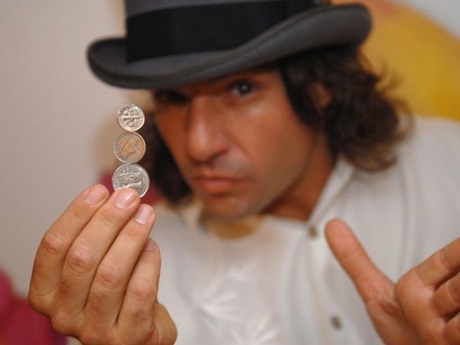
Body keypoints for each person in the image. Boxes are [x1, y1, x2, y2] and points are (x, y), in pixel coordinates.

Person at [28, 0, 460, 344]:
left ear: (320, 85)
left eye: (241, 88)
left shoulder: (449, 161)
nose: (198, 145)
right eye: (173, 97)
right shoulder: (142, 283)